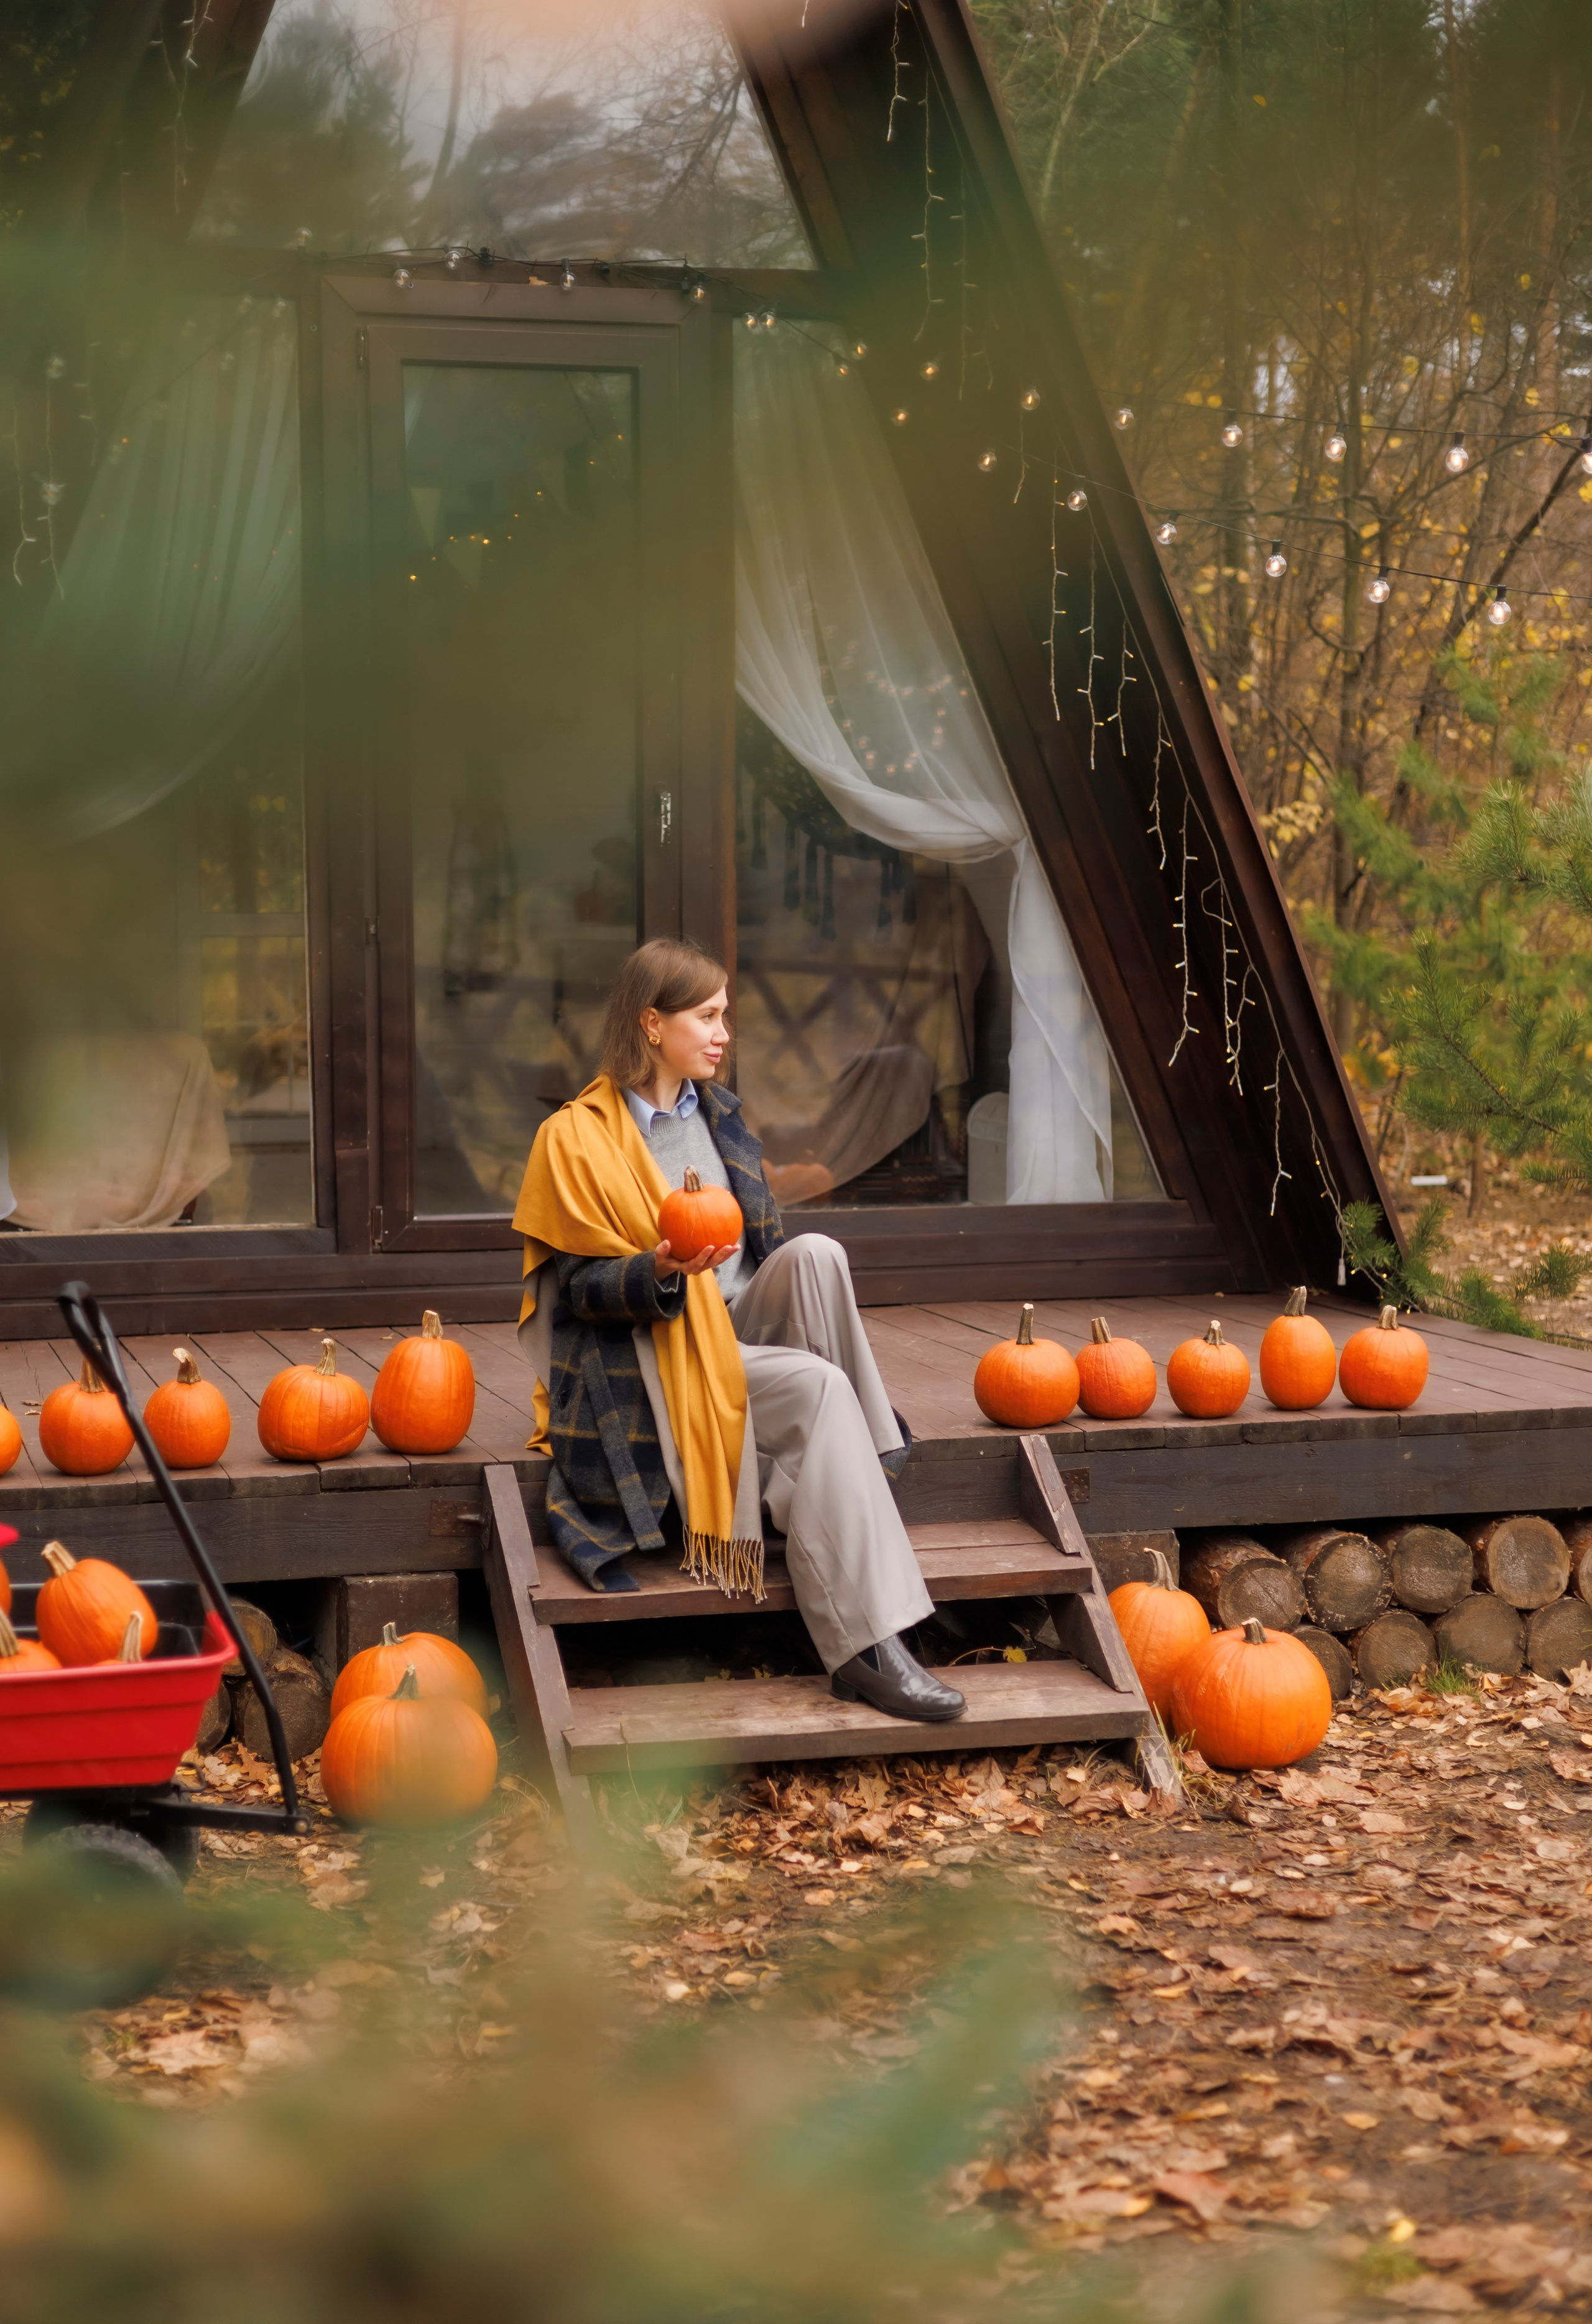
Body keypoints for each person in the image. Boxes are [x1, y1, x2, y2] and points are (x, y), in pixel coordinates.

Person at [511, 937, 965, 1724]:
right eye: (708, 1015)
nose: (725, 1032)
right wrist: (653, 1269)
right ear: (653, 1023)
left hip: (734, 1328)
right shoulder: (575, 1137)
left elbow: (754, 1246)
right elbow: (577, 1291)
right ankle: (866, 1649)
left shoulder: (718, 1114)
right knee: (818, 1387)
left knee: (817, 1252)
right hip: (656, 1347)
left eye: (728, 1015)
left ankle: (856, 1461)